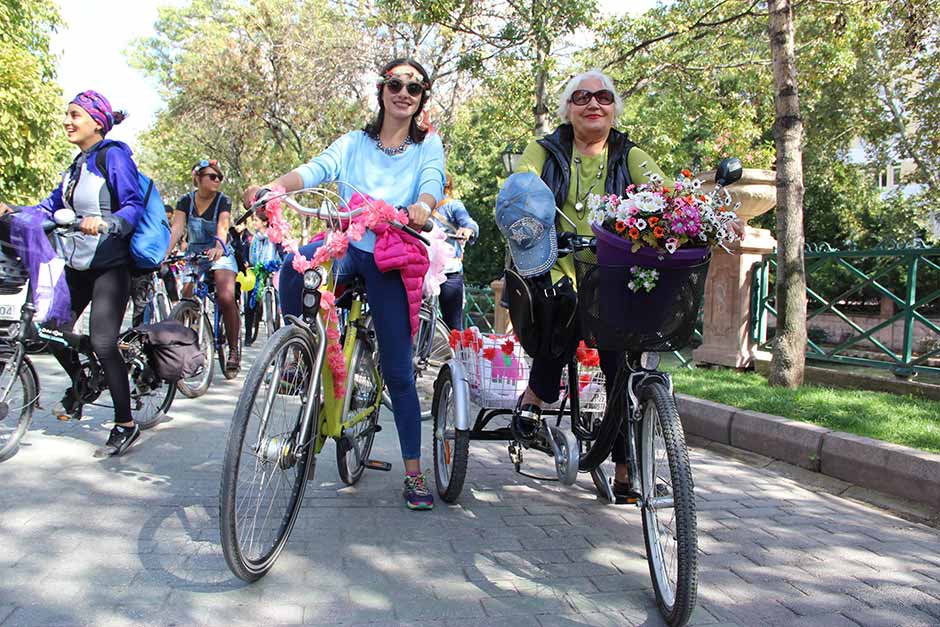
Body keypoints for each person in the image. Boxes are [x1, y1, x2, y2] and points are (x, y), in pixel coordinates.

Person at [243, 57, 444, 510]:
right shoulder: (355, 142)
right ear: (382, 90)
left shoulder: (427, 146)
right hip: (345, 240)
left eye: (414, 88)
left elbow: (431, 183)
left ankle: (413, 472)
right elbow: (317, 169)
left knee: (398, 369)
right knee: (296, 270)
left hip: (390, 250)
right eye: (395, 83)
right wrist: (274, 187)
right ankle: (301, 351)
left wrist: (423, 206)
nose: (403, 93)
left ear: (421, 98)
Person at [500, 70, 670, 502]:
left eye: (603, 97)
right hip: (553, 262)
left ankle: (626, 464)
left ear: (614, 109)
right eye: (581, 97)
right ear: (568, 109)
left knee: (619, 360)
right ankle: (540, 394)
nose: (593, 104)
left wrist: (689, 219)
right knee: (565, 303)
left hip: (614, 271)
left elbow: (664, 195)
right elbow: (522, 185)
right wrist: (530, 203)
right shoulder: (544, 149)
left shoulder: (629, 153)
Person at [0, 90, 144, 456]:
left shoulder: (113, 157)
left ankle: (126, 424)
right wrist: (11, 209)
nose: (67, 120)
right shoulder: (75, 167)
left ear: (96, 121)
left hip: (111, 266)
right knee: (49, 327)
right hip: (77, 264)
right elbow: (48, 207)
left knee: (102, 342)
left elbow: (132, 205)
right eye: (67, 114)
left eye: (75, 114)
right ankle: (82, 378)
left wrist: (107, 222)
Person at [167, 159, 242, 376]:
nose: (217, 180)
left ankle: (234, 350)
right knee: (187, 295)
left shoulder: (223, 201)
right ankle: (183, 348)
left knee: (226, 295)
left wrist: (219, 245)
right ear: (198, 178)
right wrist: (164, 253)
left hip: (219, 251)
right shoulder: (184, 201)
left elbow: (223, 226)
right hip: (194, 253)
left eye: (219, 177)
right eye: (212, 176)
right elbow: (178, 228)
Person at [430, 174, 478, 330]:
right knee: (418, 319)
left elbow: (469, 223)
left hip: (448, 271)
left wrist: (468, 230)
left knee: (453, 324)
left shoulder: (453, 206)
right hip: (425, 271)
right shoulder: (419, 205)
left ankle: (458, 353)